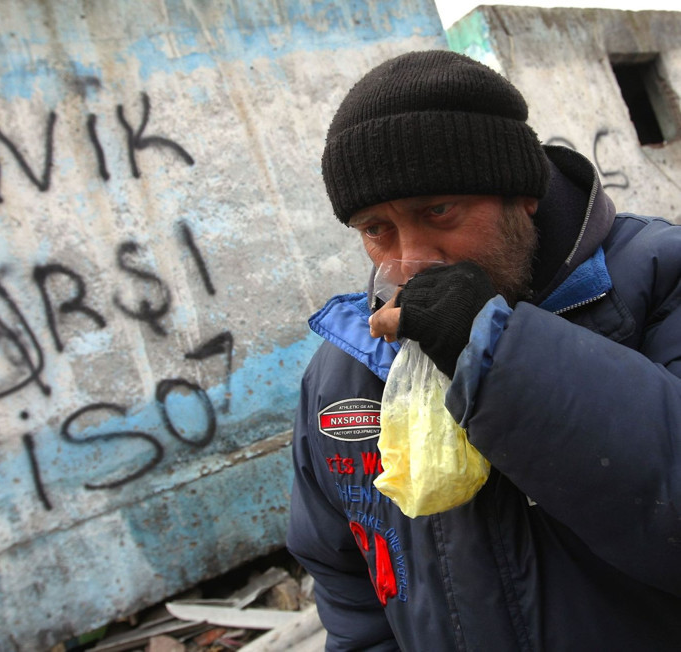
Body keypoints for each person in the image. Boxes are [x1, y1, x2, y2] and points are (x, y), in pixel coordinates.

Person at [286, 49, 681, 651]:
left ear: (522, 193)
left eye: (439, 210)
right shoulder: (344, 374)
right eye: (376, 229)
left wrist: (490, 347)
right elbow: (348, 591)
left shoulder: (658, 283)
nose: (410, 261)